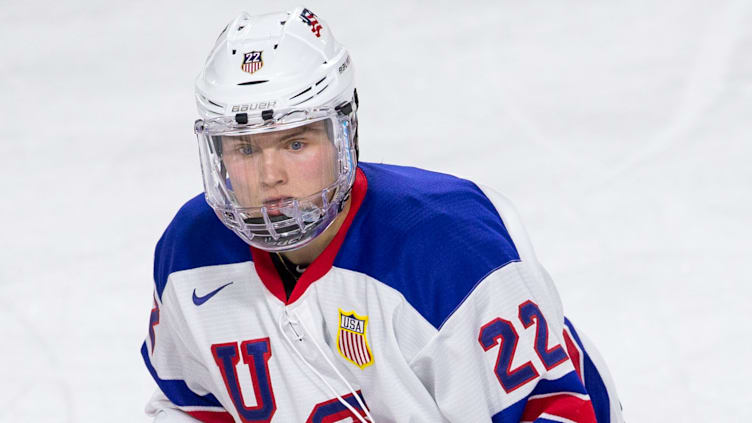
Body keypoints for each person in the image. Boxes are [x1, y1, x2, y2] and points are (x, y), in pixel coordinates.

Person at [142, 6, 624, 423]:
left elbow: (560, 408)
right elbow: (188, 407)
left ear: (344, 133)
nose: (270, 175)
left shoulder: (447, 251)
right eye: (244, 148)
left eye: (295, 142)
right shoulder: (190, 256)